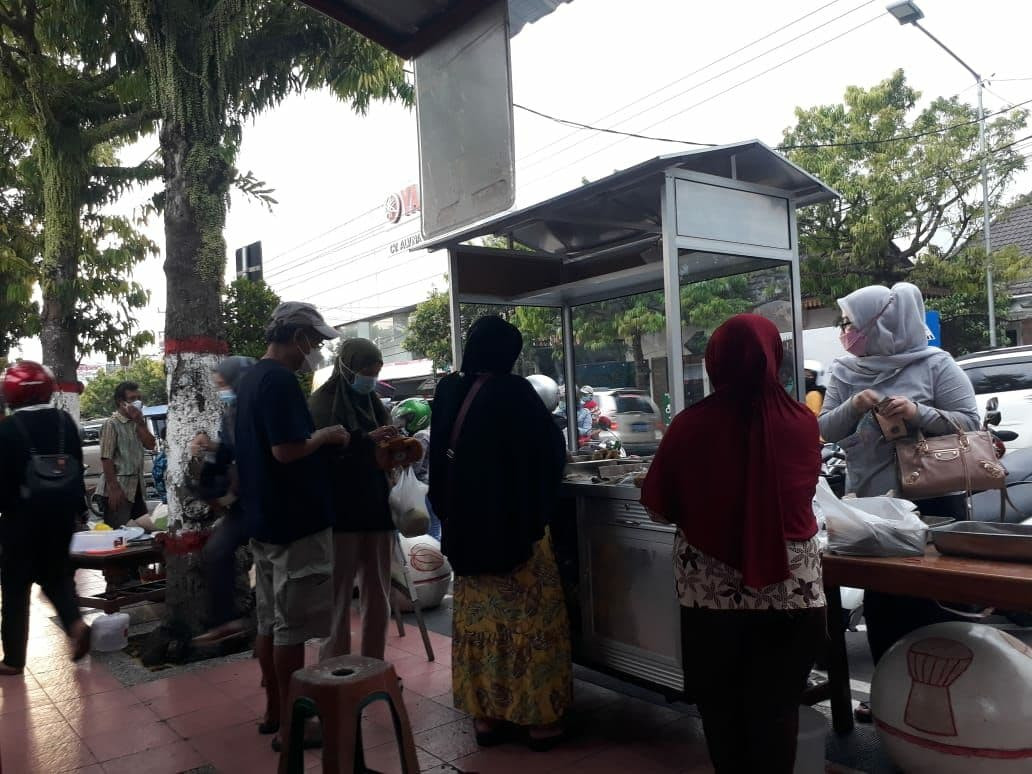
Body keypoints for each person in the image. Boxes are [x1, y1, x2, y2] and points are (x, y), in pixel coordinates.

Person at [641, 315, 825, 774]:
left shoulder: (688, 427)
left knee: (723, 714)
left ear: (714, 362)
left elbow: (658, 508)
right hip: (793, 596)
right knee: (777, 712)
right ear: (773, 359)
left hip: (711, 601)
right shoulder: (802, 423)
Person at [818, 282, 980, 722]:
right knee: (883, 605)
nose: (846, 332)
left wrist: (916, 413)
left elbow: (970, 423)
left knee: (933, 606)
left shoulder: (935, 365)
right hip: (871, 511)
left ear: (881, 324)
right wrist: (853, 404)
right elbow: (825, 430)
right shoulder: (846, 371)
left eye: (851, 323)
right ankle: (889, 695)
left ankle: (947, 703)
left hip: (933, 505)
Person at [428, 316, 570, 751]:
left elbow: (438, 465)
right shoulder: (515, 393)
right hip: (515, 539)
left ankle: (486, 717)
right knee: (531, 626)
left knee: (480, 629)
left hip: (467, 538)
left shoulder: (448, 390)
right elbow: (551, 455)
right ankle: (538, 722)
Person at [234, 302, 350, 749]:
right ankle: (292, 726)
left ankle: (273, 710)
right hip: (295, 523)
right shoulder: (280, 380)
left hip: (265, 519)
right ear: (296, 336)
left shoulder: (250, 380)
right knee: (291, 627)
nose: (315, 349)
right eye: (314, 340)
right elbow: (287, 450)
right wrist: (327, 435)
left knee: (269, 621)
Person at [309, 339, 399, 662]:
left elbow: (379, 459)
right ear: (346, 367)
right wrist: (363, 443)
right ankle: (335, 668)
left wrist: (395, 449)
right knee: (338, 596)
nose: (370, 379)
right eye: (365, 372)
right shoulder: (321, 404)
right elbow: (317, 458)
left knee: (378, 593)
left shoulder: (375, 405)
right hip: (339, 514)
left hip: (376, 510)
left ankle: (374, 664)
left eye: (375, 373)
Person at [0, 362, 91, 674]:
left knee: (15, 587)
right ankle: (75, 624)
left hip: (22, 519)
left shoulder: (9, 429)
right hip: (62, 516)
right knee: (56, 575)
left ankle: (13, 659)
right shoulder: (64, 421)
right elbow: (77, 467)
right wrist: (78, 510)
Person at [191, 356, 257, 646]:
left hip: (263, 499)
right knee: (216, 551)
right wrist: (209, 446)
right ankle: (226, 621)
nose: (222, 390)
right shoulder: (230, 409)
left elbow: (252, 454)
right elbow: (230, 449)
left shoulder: (257, 408)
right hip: (243, 502)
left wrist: (233, 492)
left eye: (224, 384)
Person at [96, 381, 156, 527]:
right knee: (120, 534)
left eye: (139, 398)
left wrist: (140, 422)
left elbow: (150, 444)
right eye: (132, 399)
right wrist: (113, 488)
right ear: (121, 402)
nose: (137, 402)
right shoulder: (111, 424)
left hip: (136, 487)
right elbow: (106, 458)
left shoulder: (137, 423)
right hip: (118, 487)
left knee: (145, 533)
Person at [391, 397, 440, 540]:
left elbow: (415, 466)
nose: (402, 423)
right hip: (431, 486)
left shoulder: (421, 436)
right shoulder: (431, 431)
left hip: (422, 488)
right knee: (433, 528)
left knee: (426, 530)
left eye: (405, 419)